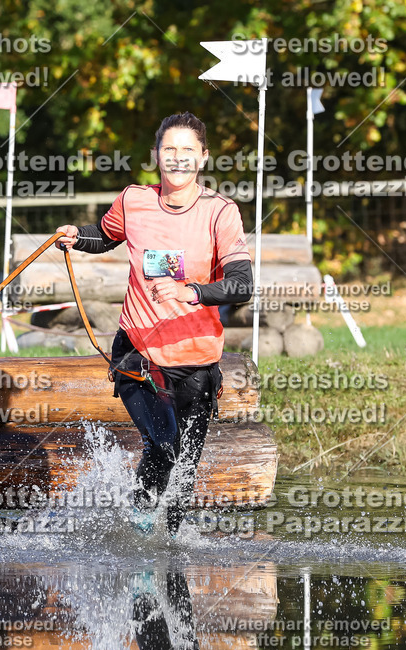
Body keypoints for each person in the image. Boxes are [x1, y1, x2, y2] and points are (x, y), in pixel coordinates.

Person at [55, 112, 253, 537]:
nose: (177, 158)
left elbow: (242, 285)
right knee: (164, 445)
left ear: (202, 157)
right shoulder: (134, 200)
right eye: (169, 150)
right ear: (155, 156)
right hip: (138, 353)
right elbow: (105, 235)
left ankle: (174, 553)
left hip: (197, 361)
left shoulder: (221, 213)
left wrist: (191, 292)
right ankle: (140, 536)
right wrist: (77, 235)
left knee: (184, 472)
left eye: (187, 150)